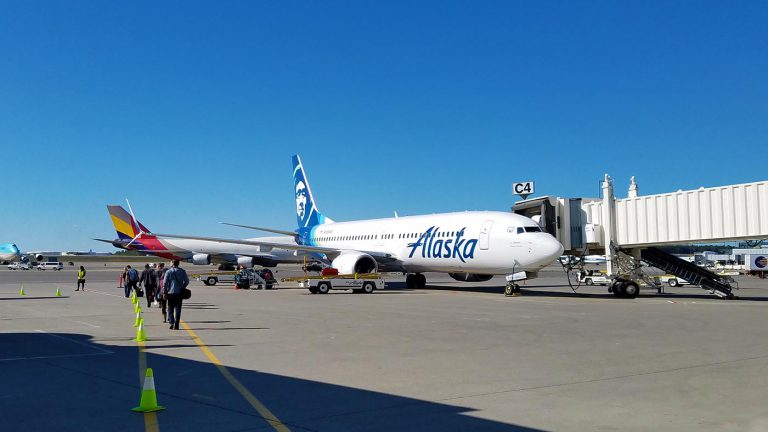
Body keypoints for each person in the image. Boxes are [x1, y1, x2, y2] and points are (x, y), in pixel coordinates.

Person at [163, 259, 189, 330]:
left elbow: (165, 283)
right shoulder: (182, 271)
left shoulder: (168, 272)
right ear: (178, 264)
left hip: (170, 293)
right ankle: (177, 324)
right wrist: (182, 287)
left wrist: (164, 292)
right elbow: (186, 281)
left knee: (170, 308)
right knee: (178, 309)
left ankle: (171, 322)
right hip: (179, 293)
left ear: (172, 263)